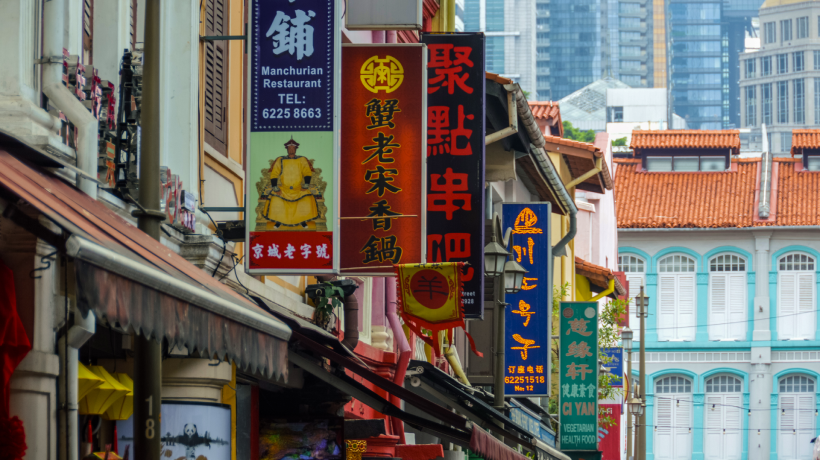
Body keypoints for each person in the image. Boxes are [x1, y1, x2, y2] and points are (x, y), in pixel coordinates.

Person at [263, 138, 319, 228]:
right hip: (284, 188)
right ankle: (279, 221)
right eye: (289, 148)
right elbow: (274, 173)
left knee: (307, 197)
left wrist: (306, 185)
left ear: (296, 149)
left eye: (293, 148)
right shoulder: (281, 160)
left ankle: (302, 221)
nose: (291, 150)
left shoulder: (302, 159)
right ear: (287, 149)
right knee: (275, 197)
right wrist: (275, 187)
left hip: (298, 188)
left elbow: (307, 172)